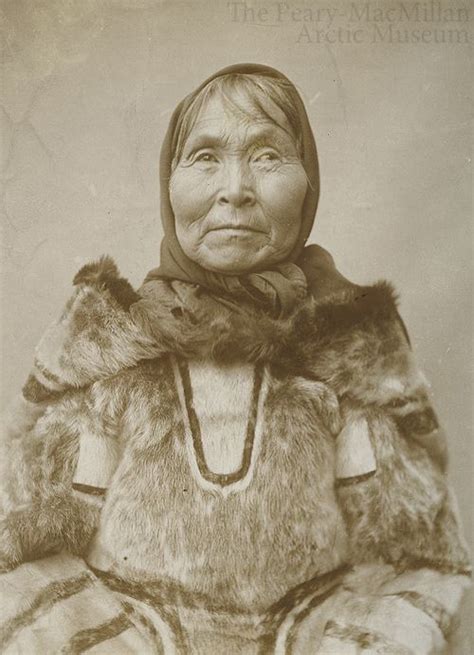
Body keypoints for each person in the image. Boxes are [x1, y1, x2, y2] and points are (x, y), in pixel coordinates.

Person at [0, 63, 470, 654]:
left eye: (268, 156)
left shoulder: (347, 358)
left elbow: (410, 557)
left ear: (309, 183)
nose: (236, 188)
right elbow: (30, 547)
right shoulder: (112, 360)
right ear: (169, 182)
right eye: (204, 157)